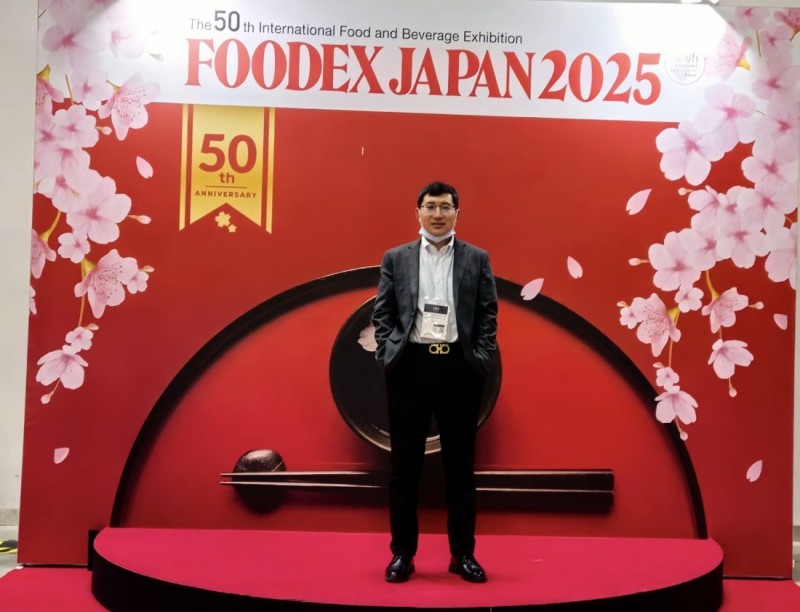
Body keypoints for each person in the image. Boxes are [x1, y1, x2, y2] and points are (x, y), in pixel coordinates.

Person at [372, 181, 498, 583]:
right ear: (418, 213)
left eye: (445, 207)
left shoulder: (476, 258)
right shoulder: (397, 258)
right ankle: (402, 554)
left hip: (459, 370)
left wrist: (480, 358)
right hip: (410, 367)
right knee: (404, 469)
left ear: (457, 213)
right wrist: (387, 354)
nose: (438, 214)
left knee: (460, 468)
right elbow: (383, 313)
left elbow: (488, 313)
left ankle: (463, 555)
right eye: (430, 207)